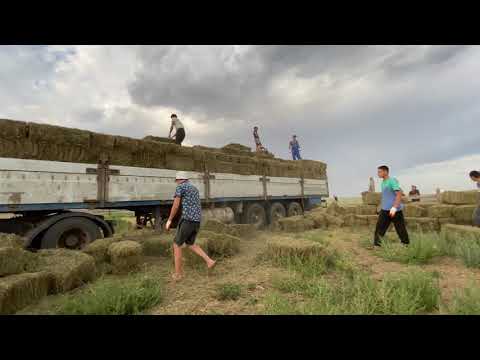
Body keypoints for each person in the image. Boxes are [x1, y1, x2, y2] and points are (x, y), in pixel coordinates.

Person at [165, 171, 216, 281]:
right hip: (197, 221)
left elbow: (176, 205)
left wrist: (169, 220)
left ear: (179, 180)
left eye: (176, 181)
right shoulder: (194, 188)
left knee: (176, 245)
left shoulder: (180, 187)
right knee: (190, 244)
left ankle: (178, 274)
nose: (176, 183)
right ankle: (209, 261)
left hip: (187, 219)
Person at [373, 165, 410, 247]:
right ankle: (377, 245)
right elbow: (386, 196)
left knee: (400, 227)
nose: (378, 173)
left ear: (385, 172)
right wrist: (380, 207)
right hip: (385, 209)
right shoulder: (383, 182)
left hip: (395, 210)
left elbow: (399, 193)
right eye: (378, 172)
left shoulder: (392, 181)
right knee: (379, 227)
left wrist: (394, 207)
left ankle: (405, 244)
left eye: (379, 171)